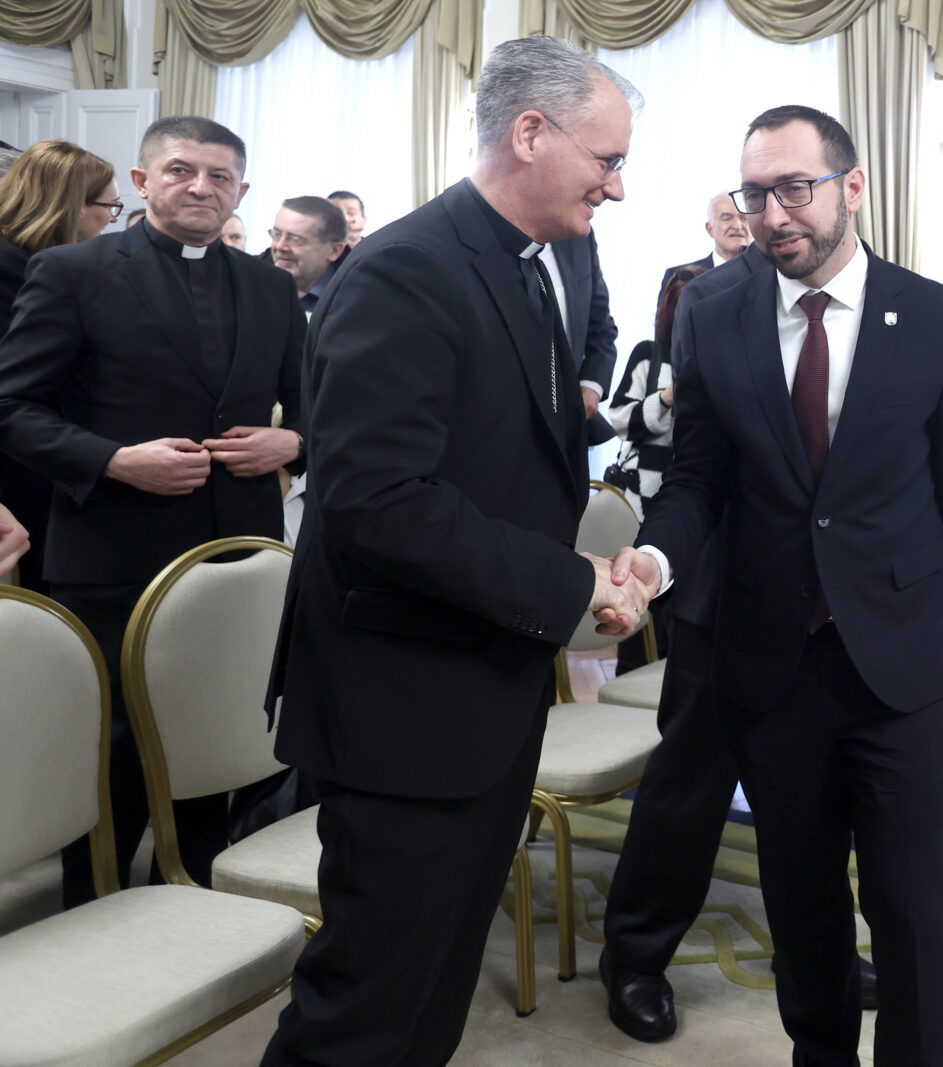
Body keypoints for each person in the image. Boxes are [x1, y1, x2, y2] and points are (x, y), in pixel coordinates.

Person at [257, 37, 647, 1066]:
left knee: (432, 982)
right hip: (401, 704)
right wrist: (569, 582)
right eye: (605, 159)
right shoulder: (408, 269)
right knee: (364, 1004)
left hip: (477, 684)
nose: (616, 184)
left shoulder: (534, 260)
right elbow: (376, 500)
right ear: (530, 133)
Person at [606, 103, 943, 1066]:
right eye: (756, 193)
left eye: (796, 189)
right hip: (768, 659)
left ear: (851, 188)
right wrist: (653, 563)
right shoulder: (713, 309)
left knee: (911, 898)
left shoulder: (938, 317)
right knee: (801, 891)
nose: (774, 214)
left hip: (901, 659)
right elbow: (696, 479)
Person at [0, 117, 306, 909]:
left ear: (241, 189)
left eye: (220, 176)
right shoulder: (73, 272)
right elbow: (11, 408)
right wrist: (112, 459)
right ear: (142, 182)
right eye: (181, 170)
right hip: (113, 550)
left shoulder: (272, 286)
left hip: (236, 554)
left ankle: (200, 886)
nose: (201, 187)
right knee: (111, 745)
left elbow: (323, 410)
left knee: (217, 727)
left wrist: (292, 440)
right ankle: (94, 901)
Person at [0, 139, 120, 595]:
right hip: (20, 467)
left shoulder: (33, 264)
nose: (113, 220)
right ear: (72, 206)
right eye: (110, 207)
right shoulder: (20, 273)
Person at [608, 265, 704, 517]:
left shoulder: (717, 361)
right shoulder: (648, 355)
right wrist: (665, 398)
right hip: (636, 499)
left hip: (694, 499)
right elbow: (620, 420)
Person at [543, 231, 619, 445]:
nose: (613, 195)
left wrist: (592, 387)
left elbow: (602, 328)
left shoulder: (578, 237)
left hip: (570, 426)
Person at [657, 191, 749, 299]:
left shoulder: (768, 274)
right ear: (710, 229)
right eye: (727, 218)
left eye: (744, 218)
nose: (738, 226)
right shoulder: (680, 278)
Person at [269, 196, 347, 314]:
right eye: (277, 234)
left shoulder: (351, 301)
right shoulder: (250, 282)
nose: (279, 246)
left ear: (334, 251)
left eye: (295, 240)